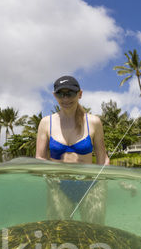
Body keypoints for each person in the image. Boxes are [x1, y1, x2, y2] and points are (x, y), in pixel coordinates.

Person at [35, 75, 110, 224]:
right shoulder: (46, 123)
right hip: (59, 186)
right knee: (58, 233)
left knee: (95, 232)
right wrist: (47, 177)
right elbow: (40, 158)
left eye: (70, 93)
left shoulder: (94, 122)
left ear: (80, 94)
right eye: (60, 94)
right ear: (54, 95)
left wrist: (104, 180)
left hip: (90, 185)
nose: (65, 99)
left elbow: (103, 158)